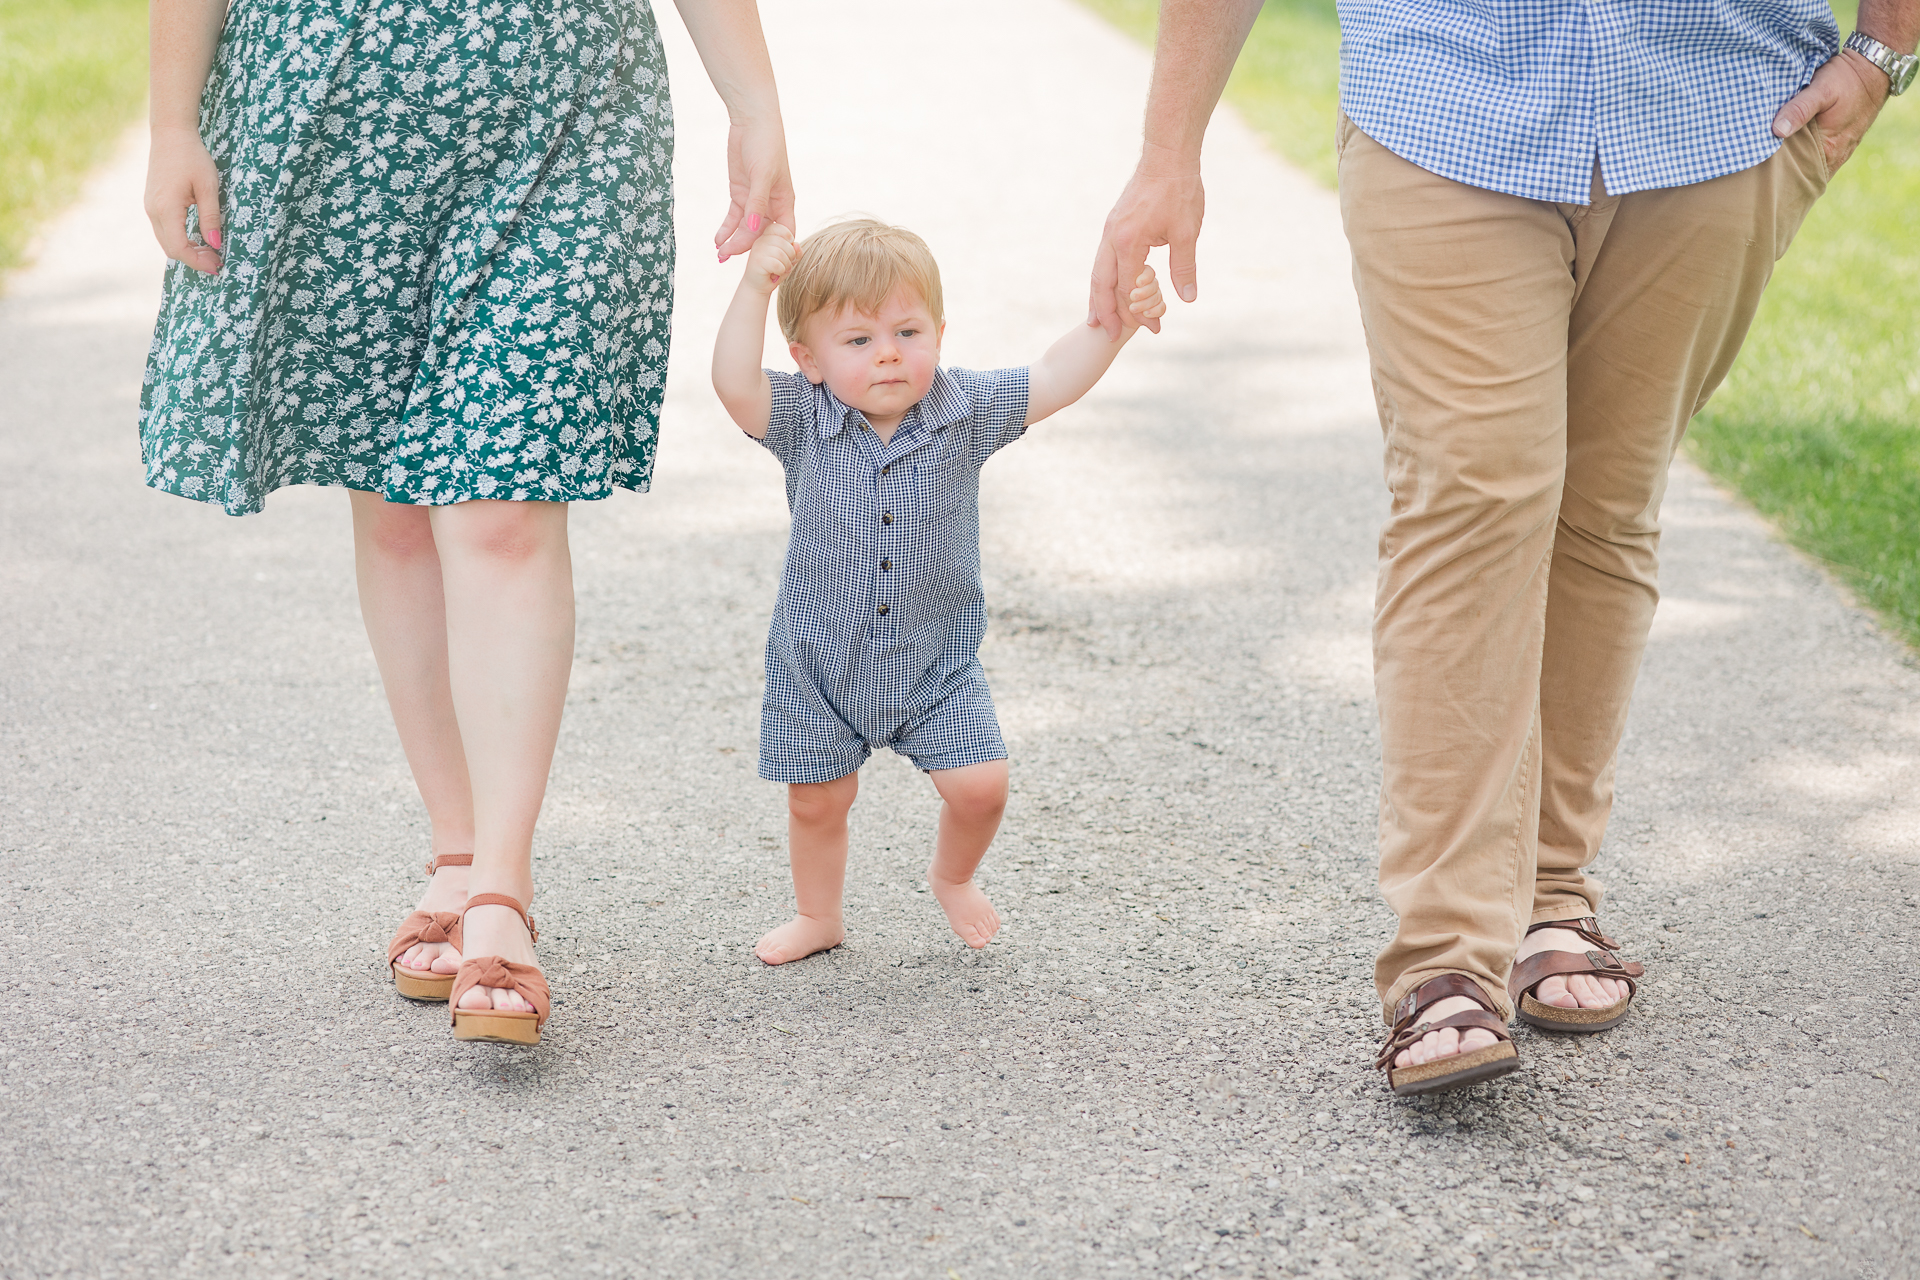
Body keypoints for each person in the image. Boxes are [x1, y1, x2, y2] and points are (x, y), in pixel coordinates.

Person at [1088, 0, 1918, 1095]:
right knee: (1469, 502)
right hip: (1448, 95)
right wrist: (1167, 152)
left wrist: (1884, 47)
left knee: (1604, 512)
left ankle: (1553, 893)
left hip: (1716, 101)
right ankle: (1443, 956)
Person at [141, 0, 796, 1046]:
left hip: (564, 111)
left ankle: (500, 882)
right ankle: (455, 841)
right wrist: (173, 123)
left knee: (498, 508)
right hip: (335, 110)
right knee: (396, 503)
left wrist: (754, 103)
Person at [711, 218, 1165, 965]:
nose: (888, 351)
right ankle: (818, 914)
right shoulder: (801, 420)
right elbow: (734, 381)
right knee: (817, 801)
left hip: (934, 668)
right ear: (809, 360)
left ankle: (952, 878)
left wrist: (1116, 324)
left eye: (908, 330)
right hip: (820, 667)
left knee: (982, 786)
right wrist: (756, 285)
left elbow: (1055, 375)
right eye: (857, 340)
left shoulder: (964, 413)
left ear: (940, 334)